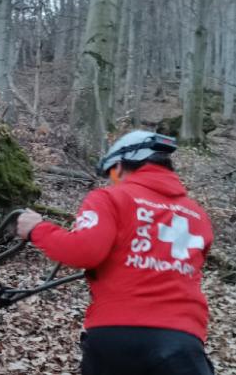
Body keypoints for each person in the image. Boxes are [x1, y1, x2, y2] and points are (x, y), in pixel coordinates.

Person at [16, 130, 214, 375]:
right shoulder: (197, 214)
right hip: (184, 340)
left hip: (119, 334)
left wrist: (37, 229)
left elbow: (82, 251)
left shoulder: (112, 198)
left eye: (111, 173)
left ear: (120, 166)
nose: (111, 180)